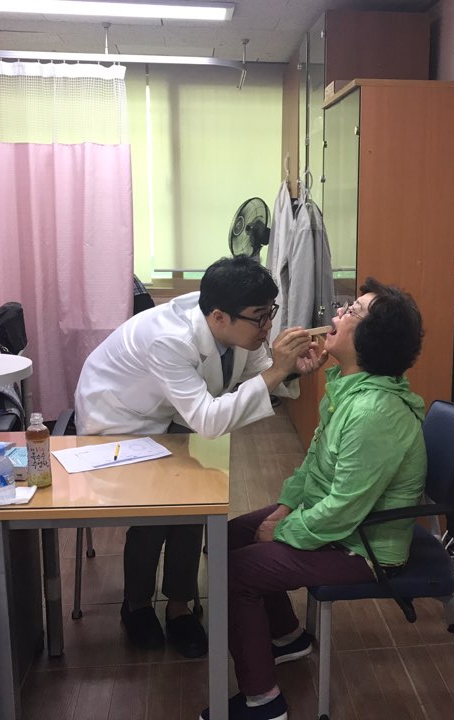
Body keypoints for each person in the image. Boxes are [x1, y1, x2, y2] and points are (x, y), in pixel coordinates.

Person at [74, 256, 328, 658]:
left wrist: (291, 369)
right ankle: (136, 605)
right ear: (220, 316)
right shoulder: (170, 339)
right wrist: (276, 372)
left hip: (168, 415)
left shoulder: (230, 324)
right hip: (119, 422)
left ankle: (179, 605)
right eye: (260, 318)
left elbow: (260, 370)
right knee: (156, 510)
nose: (267, 327)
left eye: (271, 314)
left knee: (196, 502)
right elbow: (209, 420)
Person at [199, 278, 427, 720]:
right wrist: (285, 509)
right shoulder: (349, 386)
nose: (337, 314)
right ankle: (288, 637)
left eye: (352, 312)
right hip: (344, 525)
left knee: (237, 571)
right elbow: (315, 467)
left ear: (371, 339)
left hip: (364, 546)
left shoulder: (373, 412)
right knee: (227, 538)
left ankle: (263, 702)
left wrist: (282, 530)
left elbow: (344, 509)